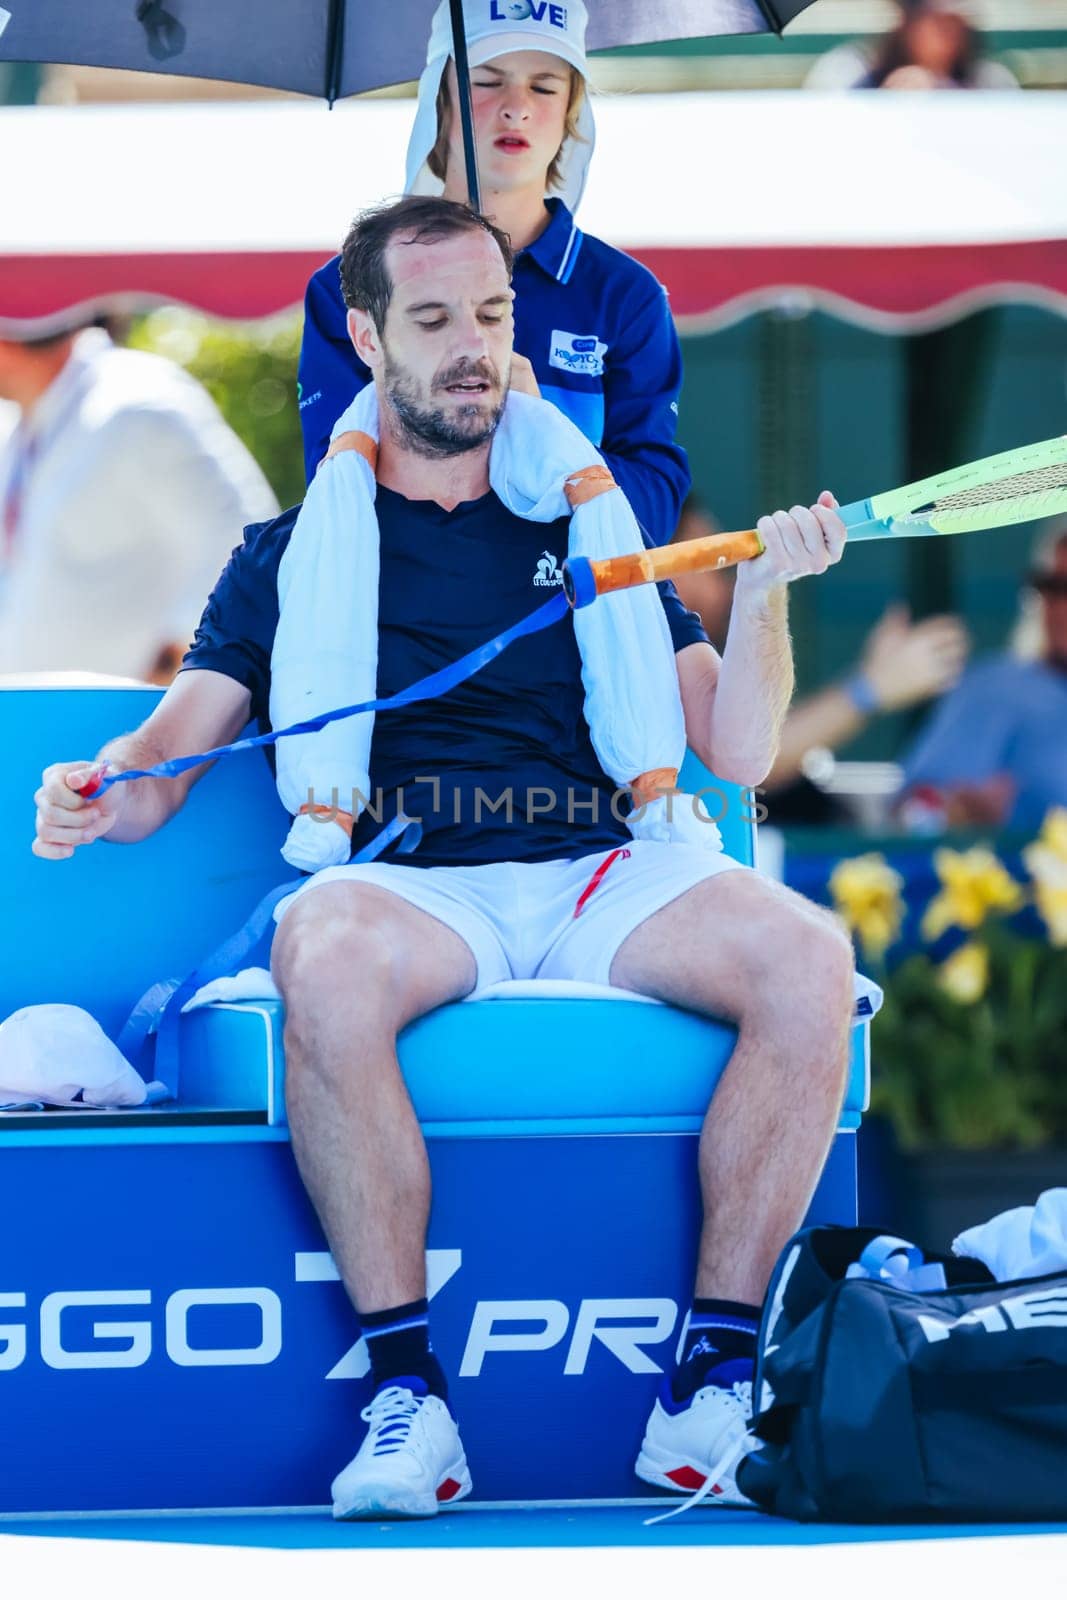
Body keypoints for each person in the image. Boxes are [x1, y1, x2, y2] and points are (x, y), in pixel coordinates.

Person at [34, 197, 854, 1519]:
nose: (471, 347)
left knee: (807, 958)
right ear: (364, 338)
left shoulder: (604, 532)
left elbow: (737, 749)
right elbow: (165, 760)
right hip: (412, 882)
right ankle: (409, 1398)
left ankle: (710, 1376)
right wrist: (93, 792)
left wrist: (759, 600)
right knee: (325, 945)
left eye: (490, 315)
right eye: (432, 321)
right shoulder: (290, 556)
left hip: (601, 869)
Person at [297, 0, 689, 545]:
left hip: (566, 620)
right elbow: (333, 489)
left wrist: (544, 434)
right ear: (440, 100)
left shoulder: (626, 296)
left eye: (546, 87)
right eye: (486, 81)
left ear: (574, 111)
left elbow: (655, 509)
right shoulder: (346, 287)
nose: (516, 108)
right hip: (400, 618)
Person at [0, 321, 278, 682]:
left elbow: (249, 546)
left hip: (129, 722)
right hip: (38, 723)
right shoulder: (23, 422)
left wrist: (177, 694)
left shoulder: (138, 405)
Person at [671, 495, 970, 819]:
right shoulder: (646, 659)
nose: (729, 585)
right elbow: (742, 754)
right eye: (719, 565)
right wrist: (872, 687)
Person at [898, 523, 1067, 831]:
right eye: (1051, 586)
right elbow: (911, 813)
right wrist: (951, 814)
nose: (1061, 607)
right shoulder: (994, 688)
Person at [805, 0, 1017, 92]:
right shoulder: (847, 71)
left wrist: (945, 91)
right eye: (935, 19)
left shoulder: (991, 79)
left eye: (954, 20)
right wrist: (886, 102)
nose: (948, 31)